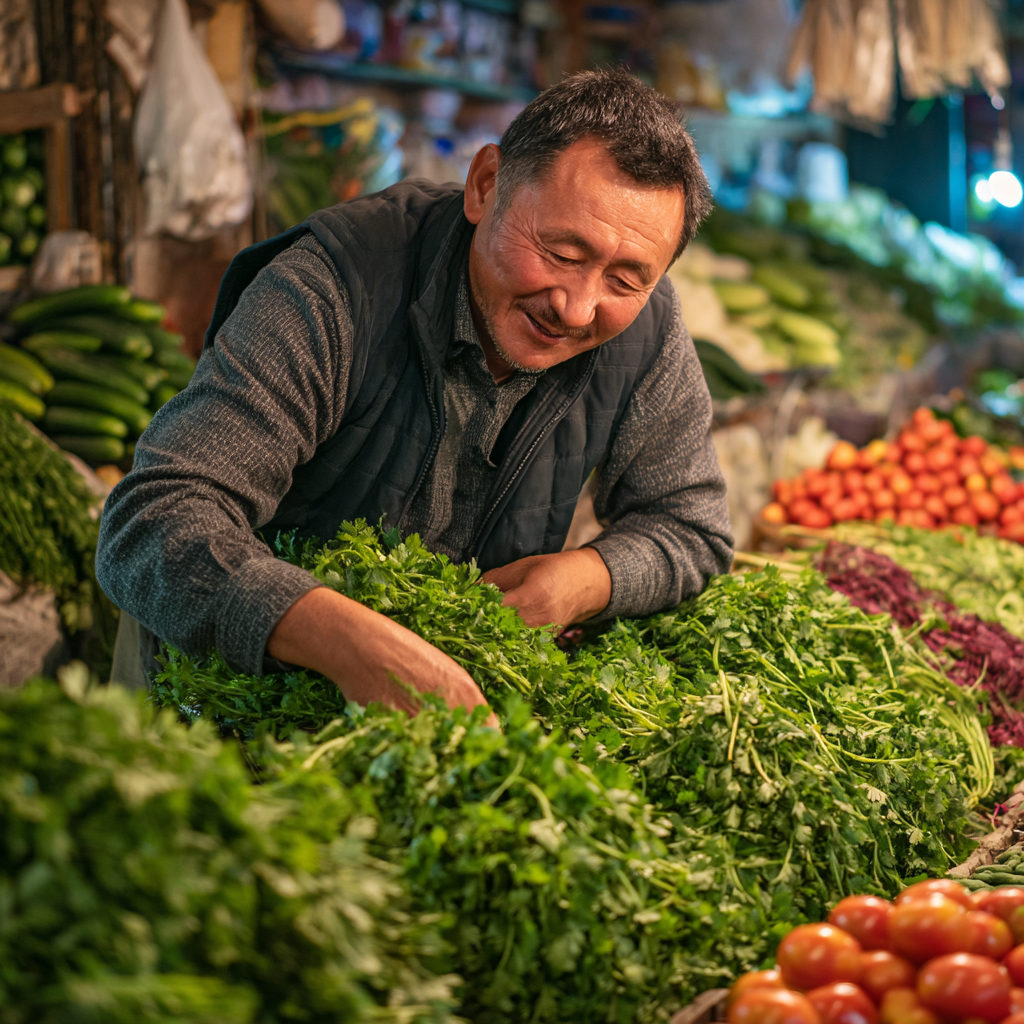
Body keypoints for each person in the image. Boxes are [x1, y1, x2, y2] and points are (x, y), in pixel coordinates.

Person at [96, 67, 733, 718]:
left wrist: (584, 580)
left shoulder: (646, 329)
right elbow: (153, 523)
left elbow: (691, 526)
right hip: (213, 710)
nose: (576, 308)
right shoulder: (334, 289)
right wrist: (344, 641)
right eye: (562, 253)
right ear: (486, 186)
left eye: (626, 279)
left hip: (414, 731)